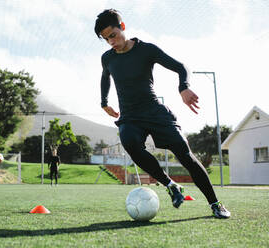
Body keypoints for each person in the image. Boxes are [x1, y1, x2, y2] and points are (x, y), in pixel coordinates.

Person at [94, 9, 230, 218]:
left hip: (155, 112)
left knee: (186, 157)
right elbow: (105, 77)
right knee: (129, 141)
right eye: (106, 39)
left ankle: (216, 204)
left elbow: (181, 66)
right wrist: (104, 103)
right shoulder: (107, 58)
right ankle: (170, 185)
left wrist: (183, 87)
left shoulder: (146, 50)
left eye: (112, 35)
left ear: (122, 27)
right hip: (130, 116)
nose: (111, 41)